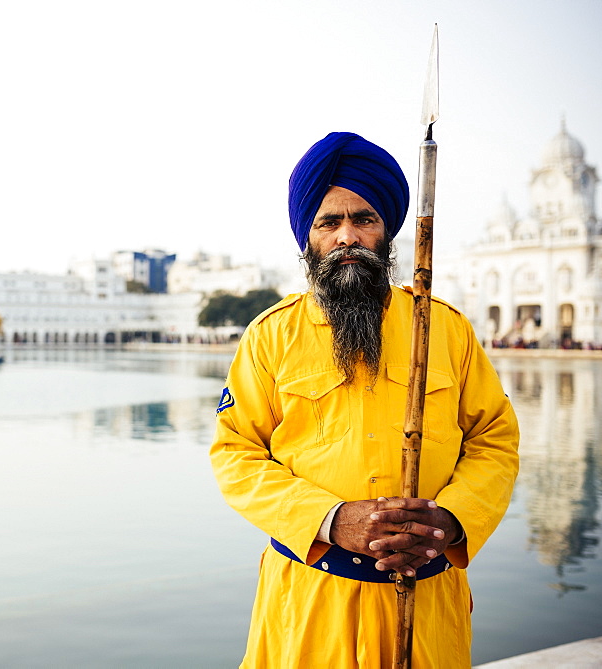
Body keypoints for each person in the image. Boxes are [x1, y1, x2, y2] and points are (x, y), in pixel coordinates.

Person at [209, 132, 519, 668]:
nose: (347, 236)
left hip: (426, 604)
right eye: (330, 223)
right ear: (309, 238)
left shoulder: (443, 329)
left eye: (364, 219)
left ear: (388, 231)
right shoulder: (271, 336)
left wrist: (451, 521)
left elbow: (494, 439)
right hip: (312, 602)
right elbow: (235, 455)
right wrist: (331, 520)